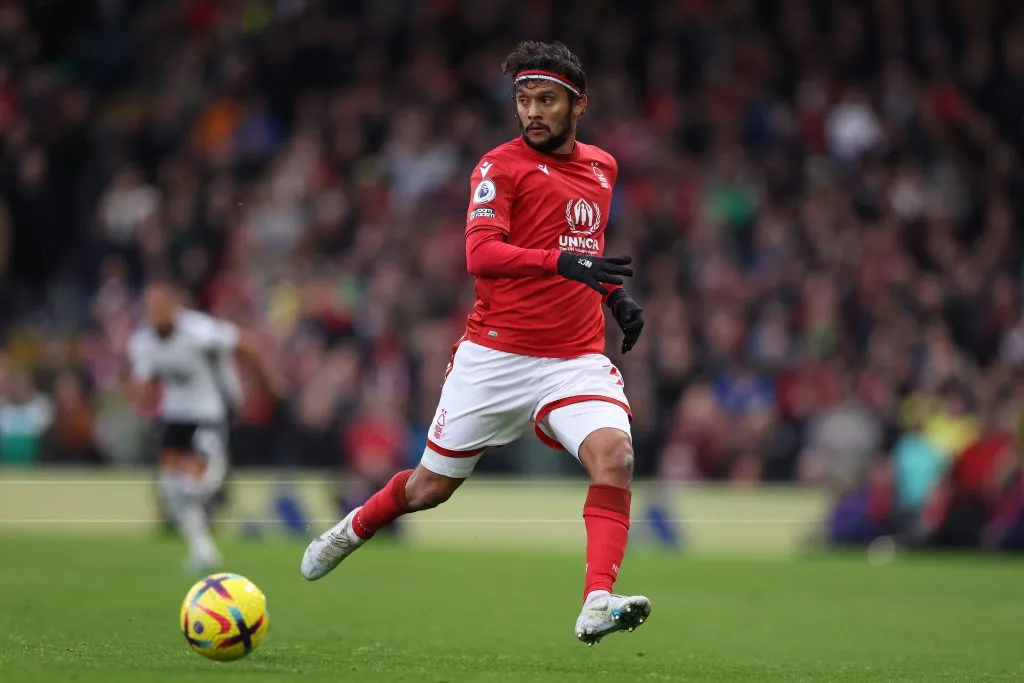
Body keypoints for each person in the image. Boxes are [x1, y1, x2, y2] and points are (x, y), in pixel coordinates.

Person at [301, 41, 649, 646]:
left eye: (546, 99)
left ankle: (596, 600)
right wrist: (564, 263)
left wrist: (610, 297)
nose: (533, 111)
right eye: (524, 100)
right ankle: (354, 528)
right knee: (429, 489)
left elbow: (581, 253)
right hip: (496, 358)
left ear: (578, 105)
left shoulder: (602, 167)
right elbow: (481, 255)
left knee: (615, 457)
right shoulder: (498, 167)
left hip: (575, 358)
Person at [127, 277, 282, 573]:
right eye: (150, 307)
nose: (155, 313)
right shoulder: (143, 342)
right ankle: (204, 552)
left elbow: (246, 346)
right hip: (175, 418)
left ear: (174, 307)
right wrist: (136, 394)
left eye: (160, 306)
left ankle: (217, 480)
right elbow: (144, 387)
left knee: (193, 486)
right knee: (173, 489)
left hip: (209, 412)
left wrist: (269, 384)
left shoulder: (200, 331)